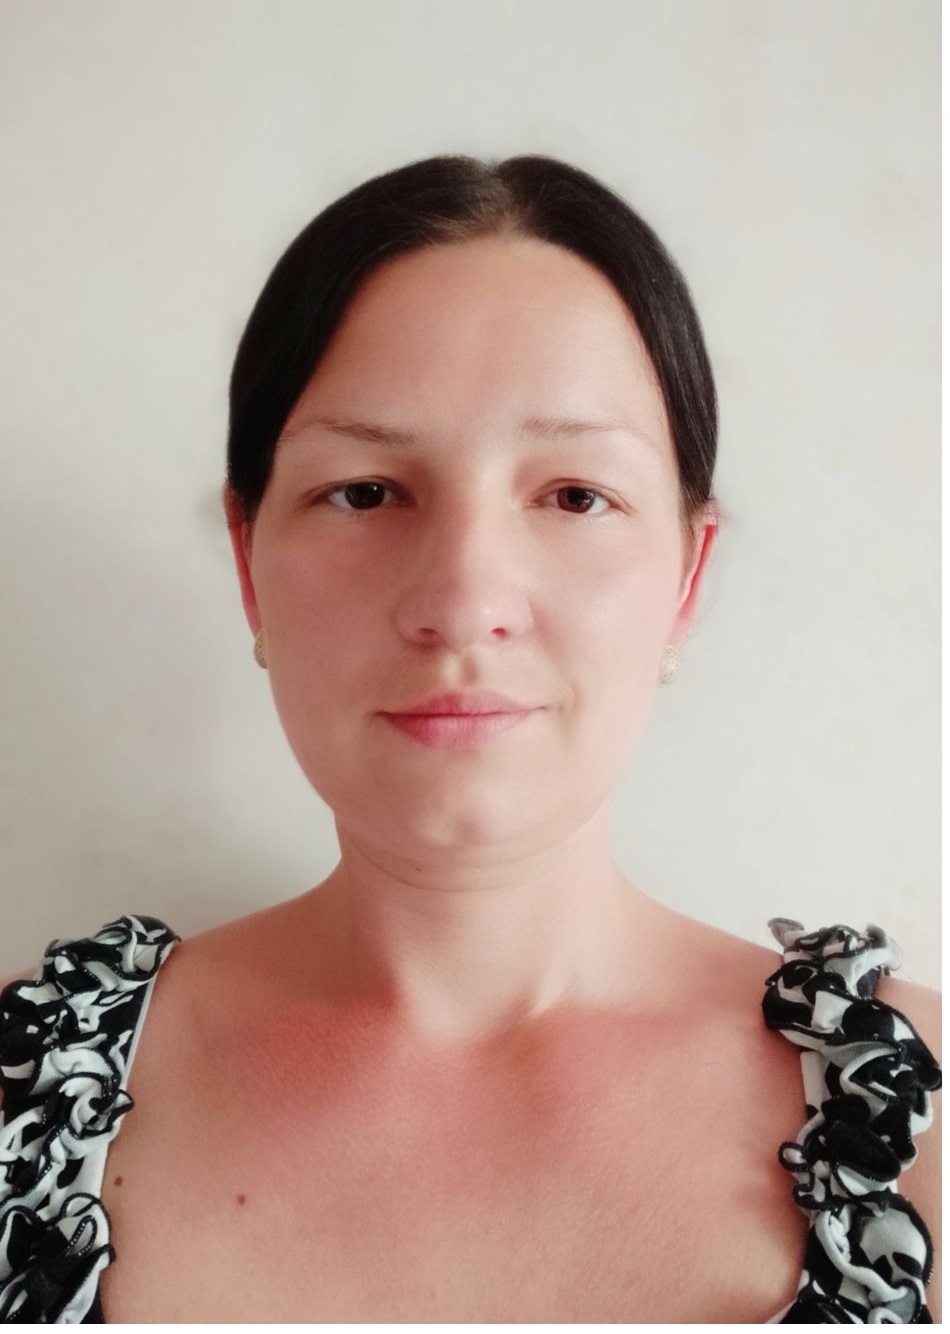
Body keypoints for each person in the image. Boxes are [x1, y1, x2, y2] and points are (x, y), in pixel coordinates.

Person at [0, 155, 940, 1324]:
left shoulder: (917, 1115)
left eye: (574, 494)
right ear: (248, 564)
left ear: (687, 578)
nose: (462, 599)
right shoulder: (22, 1090)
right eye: (364, 491)